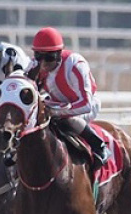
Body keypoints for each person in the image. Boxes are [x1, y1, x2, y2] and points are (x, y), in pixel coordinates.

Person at [29, 26, 110, 164]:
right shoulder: (34, 66)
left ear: (59, 53)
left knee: (67, 120)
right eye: (39, 56)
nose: (43, 63)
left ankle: (99, 146)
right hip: (56, 103)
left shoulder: (75, 65)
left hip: (84, 105)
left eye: (49, 58)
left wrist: (56, 112)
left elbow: (86, 104)